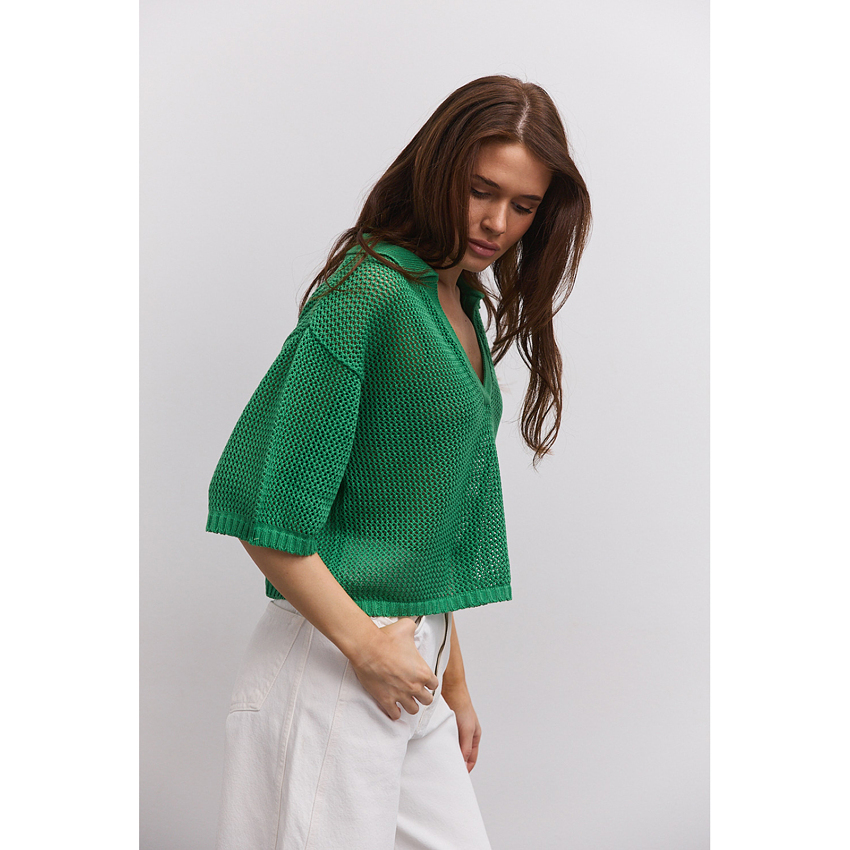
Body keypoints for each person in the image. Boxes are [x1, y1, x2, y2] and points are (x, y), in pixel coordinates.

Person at [206, 74, 591, 850]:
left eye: (523, 205)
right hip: (332, 661)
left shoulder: (461, 304)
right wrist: (365, 645)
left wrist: (453, 680)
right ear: (440, 168)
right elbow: (259, 508)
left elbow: (418, 524)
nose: (497, 222)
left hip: (410, 662)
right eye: (482, 190)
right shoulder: (369, 294)